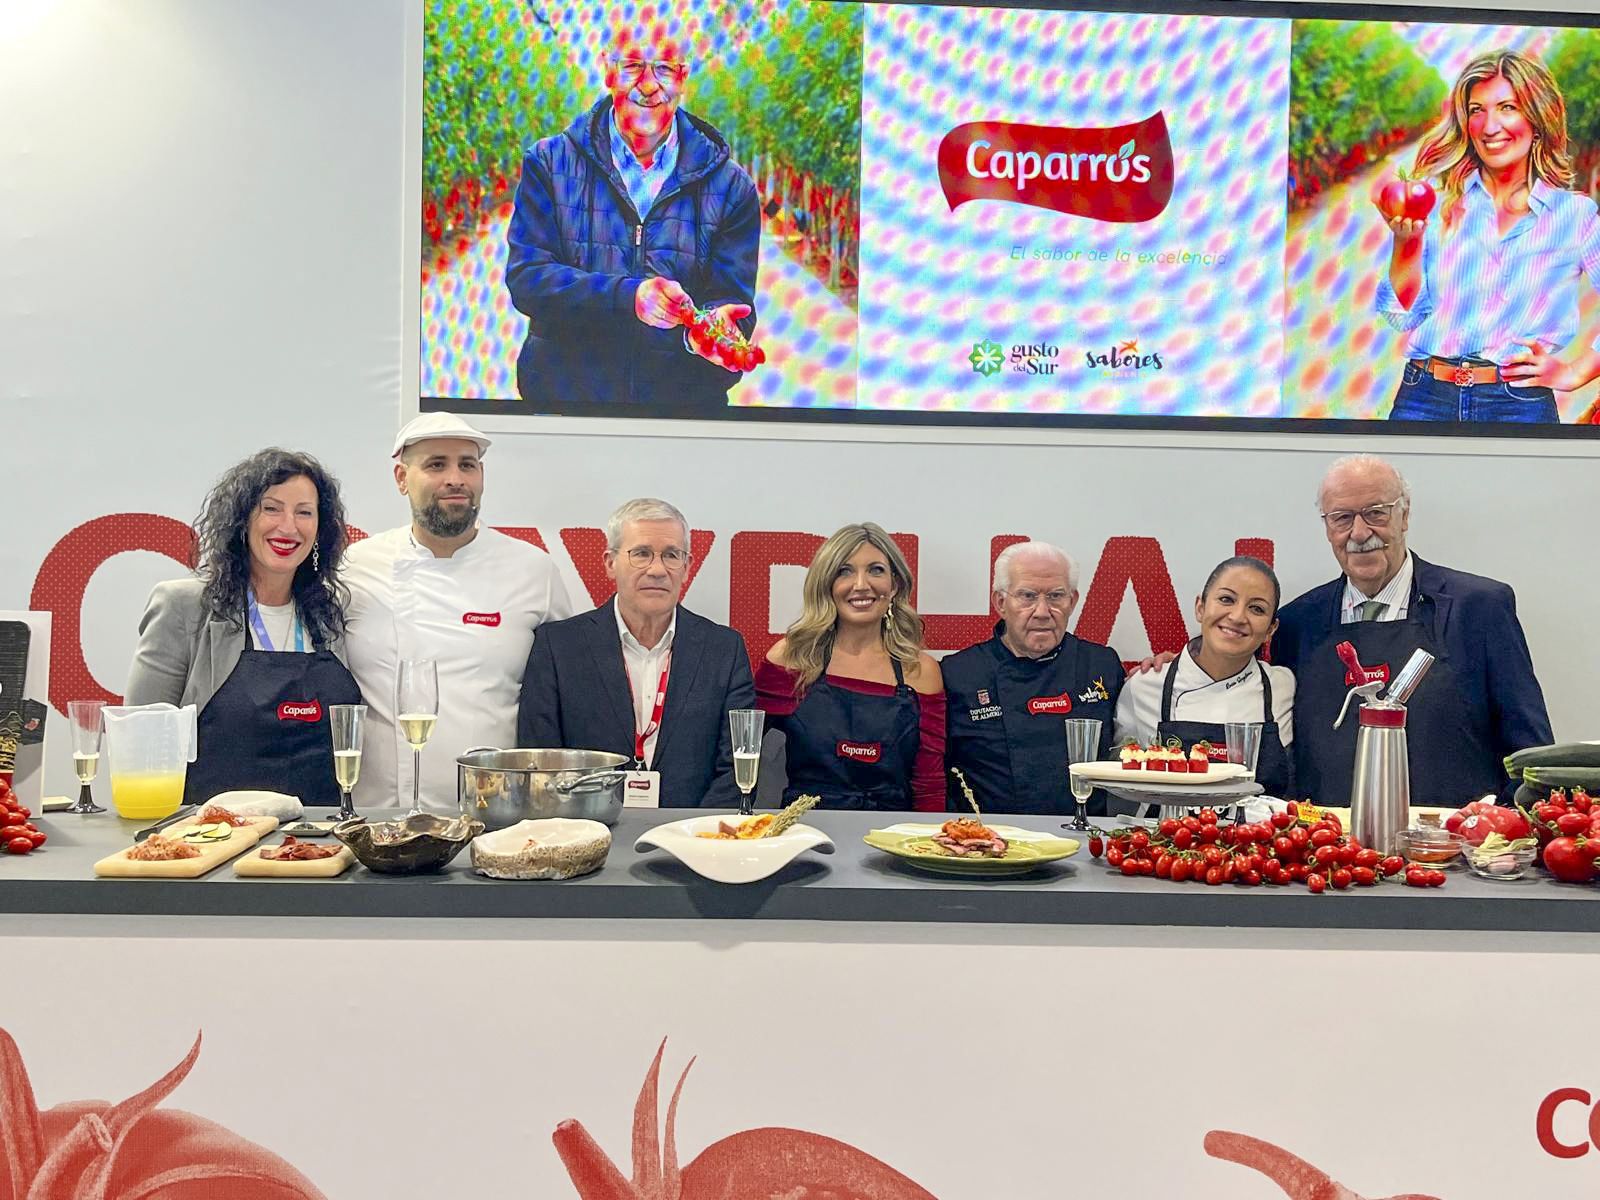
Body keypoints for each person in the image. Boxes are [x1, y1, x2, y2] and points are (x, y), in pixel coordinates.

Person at [504, 17, 760, 412]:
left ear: (683, 76)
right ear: (608, 71)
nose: (648, 84)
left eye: (664, 68)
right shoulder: (549, 163)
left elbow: (731, 301)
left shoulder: (732, 187)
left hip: (679, 416)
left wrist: (711, 334)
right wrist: (628, 297)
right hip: (564, 407)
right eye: (632, 66)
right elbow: (528, 278)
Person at [1272, 454, 1551, 807]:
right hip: (1331, 852)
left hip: (1453, 854)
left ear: (1404, 516)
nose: (1360, 533)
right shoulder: (1296, 624)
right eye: (1342, 518)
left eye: (1376, 512)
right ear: (1327, 527)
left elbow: (1532, 756)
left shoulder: (1480, 609)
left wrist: (1497, 835)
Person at [341, 413, 573, 810]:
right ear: (401, 478)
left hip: (495, 815)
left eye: (467, 465)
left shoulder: (534, 571)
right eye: (436, 464)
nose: (455, 478)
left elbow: (568, 691)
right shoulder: (353, 566)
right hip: (376, 815)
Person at [1374, 48, 1600, 423]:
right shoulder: (1437, 201)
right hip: (1423, 397)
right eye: (1477, 110)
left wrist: (1575, 372)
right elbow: (1402, 317)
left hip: (1519, 404)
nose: (1490, 126)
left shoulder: (1574, 216)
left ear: (1538, 117)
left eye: (1507, 107)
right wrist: (1405, 243)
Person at [125, 448, 360, 806]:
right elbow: (142, 745)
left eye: (304, 512)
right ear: (241, 521)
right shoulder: (185, 607)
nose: (288, 526)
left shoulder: (331, 615)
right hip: (212, 844)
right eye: (271, 508)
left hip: (318, 846)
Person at [517, 498, 755, 807]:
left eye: (671, 555)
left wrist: (695, 839)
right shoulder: (558, 646)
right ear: (609, 562)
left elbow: (738, 770)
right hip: (585, 837)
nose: (657, 570)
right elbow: (540, 763)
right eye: (641, 554)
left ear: (687, 566)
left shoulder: (724, 650)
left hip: (693, 840)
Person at [756, 524, 946, 811]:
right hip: (806, 836)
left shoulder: (921, 670)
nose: (861, 584)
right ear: (826, 584)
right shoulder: (792, 658)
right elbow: (737, 750)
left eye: (876, 570)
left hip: (893, 839)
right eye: (844, 571)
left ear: (894, 585)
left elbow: (929, 784)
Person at [942, 541, 1124, 815]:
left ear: (1072, 601)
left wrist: (1165, 667)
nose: (1042, 611)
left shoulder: (1102, 665)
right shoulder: (958, 672)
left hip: (1083, 842)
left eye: (1055, 596)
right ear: (1001, 603)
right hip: (988, 845)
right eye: (1027, 596)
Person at [1115, 556, 1295, 798]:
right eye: (1226, 599)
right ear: (1200, 607)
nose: (1238, 616)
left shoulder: (1285, 686)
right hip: (1166, 835)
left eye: (1257, 609)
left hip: (1259, 834)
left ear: (1271, 629)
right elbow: (1117, 779)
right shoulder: (1145, 686)